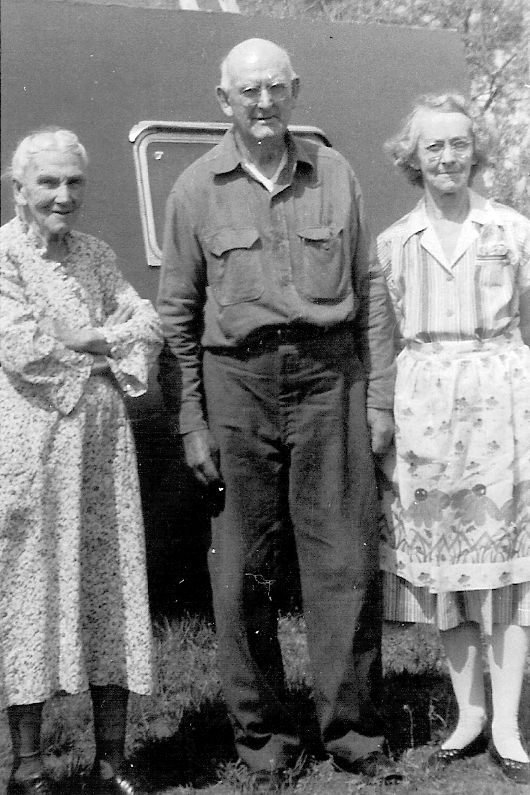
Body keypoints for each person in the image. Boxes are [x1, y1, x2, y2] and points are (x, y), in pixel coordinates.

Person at [157, 38, 397, 786]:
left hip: (332, 379)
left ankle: (350, 730)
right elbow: (177, 317)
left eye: (275, 89)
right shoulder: (196, 188)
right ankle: (263, 740)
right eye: (247, 92)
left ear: (294, 90)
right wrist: (192, 419)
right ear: (222, 100)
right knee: (241, 572)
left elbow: (374, 293)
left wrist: (380, 398)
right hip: (240, 385)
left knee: (344, 560)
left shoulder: (335, 172)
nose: (263, 103)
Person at [0, 128, 162, 795]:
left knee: (111, 579)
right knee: (30, 585)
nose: (63, 196)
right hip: (33, 446)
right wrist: (106, 345)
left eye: (74, 182)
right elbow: (25, 350)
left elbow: (146, 320)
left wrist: (93, 337)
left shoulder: (96, 253)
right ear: (19, 188)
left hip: (102, 447)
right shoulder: (4, 255)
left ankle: (112, 759)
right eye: (48, 183)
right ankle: (28, 765)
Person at [378, 94, 530, 785]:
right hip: (426, 412)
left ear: (477, 151)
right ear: (414, 157)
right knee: (446, 572)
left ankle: (507, 723)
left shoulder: (513, 230)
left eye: (460, 144)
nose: (448, 157)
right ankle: (468, 715)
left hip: (502, 406)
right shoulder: (392, 242)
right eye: (434, 146)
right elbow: (383, 334)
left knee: (507, 568)